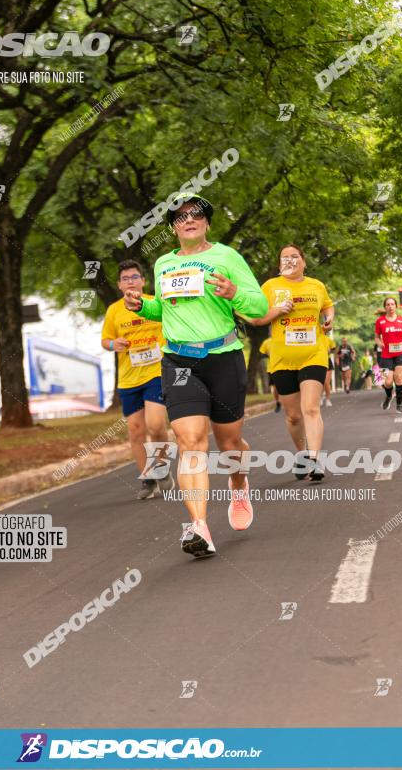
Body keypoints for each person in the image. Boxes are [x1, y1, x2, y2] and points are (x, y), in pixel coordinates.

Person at [123, 194, 268, 558]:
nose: (189, 220)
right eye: (181, 216)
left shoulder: (227, 257)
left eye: (196, 215)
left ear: (206, 222)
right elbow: (165, 309)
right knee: (190, 442)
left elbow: (259, 305)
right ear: (173, 227)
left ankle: (239, 484)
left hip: (223, 357)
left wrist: (235, 293)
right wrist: (144, 305)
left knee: (230, 444)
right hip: (178, 361)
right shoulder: (163, 264)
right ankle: (199, 527)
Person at [249, 244, 334, 481]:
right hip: (283, 359)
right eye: (285, 258)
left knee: (311, 408)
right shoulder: (270, 287)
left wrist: (329, 319)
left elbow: (327, 305)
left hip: (313, 354)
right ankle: (304, 455)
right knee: (294, 416)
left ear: (304, 261)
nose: (290, 260)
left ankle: (315, 461)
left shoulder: (316, 285)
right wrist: (276, 311)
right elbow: (256, 318)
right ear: (279, 265)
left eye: (295, 256)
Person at [101, 260, 173, 500]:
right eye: (125, 278)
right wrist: (114, 344)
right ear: (119, 285)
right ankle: (148, 477)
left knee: (156, 425)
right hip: (129, 378)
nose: (130, 281)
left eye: (134, 277)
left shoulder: (156, 302)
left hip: (156, 372)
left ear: (143, 281)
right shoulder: (114, 311)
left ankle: (161, 466)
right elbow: (105, 340)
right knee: (135, 431)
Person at [375, 296, 402, 414]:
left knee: (399, 378)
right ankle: (388, 396)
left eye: (392, 304)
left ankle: (399, 405)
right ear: (385, 307)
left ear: (396, 306)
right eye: (388, 304)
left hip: (401, 353)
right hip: (386, 355)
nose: (390, 306)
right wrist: (380, 343)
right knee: (388, 382)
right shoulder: (380, 321)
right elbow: (376, 337)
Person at [259, 337, 281, 412]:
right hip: (272, 368)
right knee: (275, 387)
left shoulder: (286, 338)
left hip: (287, 367)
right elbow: (261, 354)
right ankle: (278, 403)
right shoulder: (267, 342)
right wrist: (270, 355)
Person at [322, 333, 336, 407]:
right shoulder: (314, 339)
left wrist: (329, 351)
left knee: (326, 382)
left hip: (327, 360)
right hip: (317, 361)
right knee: (320, 382)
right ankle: (320, 397)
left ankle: (328, 399)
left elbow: (333, 349)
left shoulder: (328, 339)